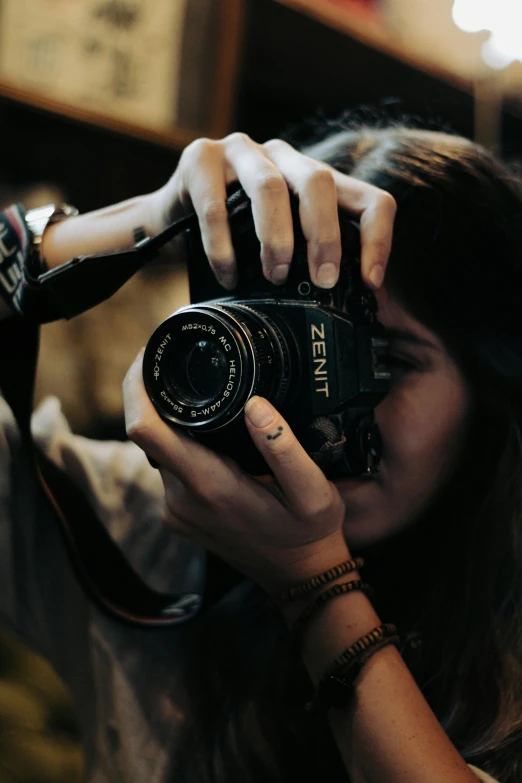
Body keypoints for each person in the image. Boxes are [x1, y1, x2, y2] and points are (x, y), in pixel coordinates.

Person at [0, 117, 519, 783]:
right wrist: (140, 221)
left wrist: (309, 580)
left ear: (496, 387)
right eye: (296, 340)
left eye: (380, 357)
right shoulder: (154, 523)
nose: (321, 398)